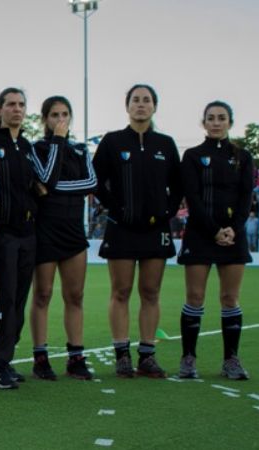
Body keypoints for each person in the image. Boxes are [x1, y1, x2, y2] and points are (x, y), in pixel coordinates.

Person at [92, 84, 182, 378]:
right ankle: (122, 355)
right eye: (135, 100)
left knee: (151, 292)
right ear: (127, 106)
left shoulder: (166, 144)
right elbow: (96, 180)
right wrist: (115, 210)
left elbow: (178, 186)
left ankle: (147, 356)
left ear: (154, 106)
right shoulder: (113, 142)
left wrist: (166, 212)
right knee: (121, 291)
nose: (141, 105)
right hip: (122, 229)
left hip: (156, 230)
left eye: (146, 100)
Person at [177, 101, 254, 380]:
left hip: (234, 236)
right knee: (195, 297)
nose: (216, 122)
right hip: (200, 235)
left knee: (230, 298)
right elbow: (193, 198)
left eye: (222, 118)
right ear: (204, 123)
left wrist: (233, 228)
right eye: (211, 118)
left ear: (230, 122)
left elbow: (246, 197)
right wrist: (213, 231)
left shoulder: (243, 157)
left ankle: (231, 360)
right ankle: (188, 358)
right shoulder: (193, 156)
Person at [28, 96, 97, 381]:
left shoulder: (81, 151)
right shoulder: (37, 149)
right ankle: (40, 357)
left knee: (75, 295)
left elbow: (90, 183)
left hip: (73, 232)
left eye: (65, 114)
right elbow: (47, 176)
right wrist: (57, 141)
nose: (60, 120)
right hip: (45, 231)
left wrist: (55, 189)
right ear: (45, 119)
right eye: (54, 115)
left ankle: (75, 356)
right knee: (43, 294)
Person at [0, 88, 38, 389]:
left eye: (21, 105)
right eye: (11, 104)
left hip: (27, 234)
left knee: (18, 300)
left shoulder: (27, 146)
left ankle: (7, 357)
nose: (17, 109)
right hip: (1, 234)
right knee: (0, 300)